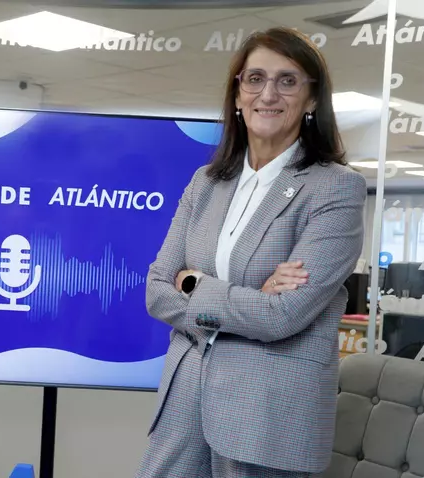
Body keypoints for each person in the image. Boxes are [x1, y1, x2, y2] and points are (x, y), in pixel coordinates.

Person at [136, 27, 365, 478]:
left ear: (312, 99)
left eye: (288, 80)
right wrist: (249, 296)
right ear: (238, 95)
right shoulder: (206, 183)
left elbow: (283, 315)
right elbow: (157, 291)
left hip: (268, 411)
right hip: (185, 398)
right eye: (255, 78)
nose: (268, 94)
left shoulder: (336, 188)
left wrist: (193, 284)